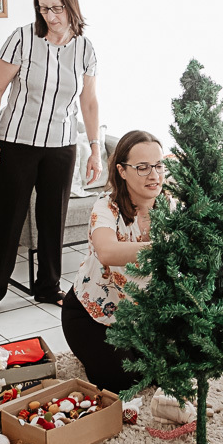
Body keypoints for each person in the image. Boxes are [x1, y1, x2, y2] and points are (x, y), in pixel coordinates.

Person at [0, 0, 101, 321]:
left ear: (71, 5)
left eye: (57, 7)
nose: (50, 15)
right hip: (16, 142)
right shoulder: (22, 39)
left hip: (61, 145)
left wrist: (95, 147)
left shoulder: (85, 48)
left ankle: (48, 286)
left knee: (52, 220)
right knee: (8, 220)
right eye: (43, 8)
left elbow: (89, 103)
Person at [61, 130, 164, 391]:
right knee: (123, 380)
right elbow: (107, 251)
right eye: (142, 168)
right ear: (122, 171)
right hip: (91, 316)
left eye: (159, 166)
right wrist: (164, 247)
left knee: (173, 368)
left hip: (141, 319)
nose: (154, 175)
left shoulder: (170, 208)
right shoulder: (106, 206)